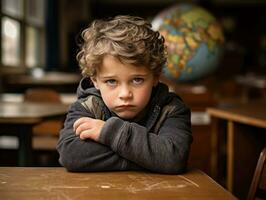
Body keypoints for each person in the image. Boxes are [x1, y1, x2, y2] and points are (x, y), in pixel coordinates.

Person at [57, 15, 192, 174]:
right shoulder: (87, 107)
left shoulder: (172, 109)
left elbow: (173, 158)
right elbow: (71, 156)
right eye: (111, 81)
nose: (125, 94)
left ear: (155, 77)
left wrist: (108, 132)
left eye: (137, 80)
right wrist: (151, 158)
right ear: (95, 81)